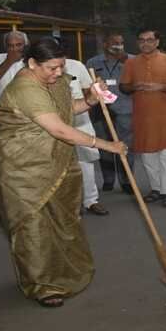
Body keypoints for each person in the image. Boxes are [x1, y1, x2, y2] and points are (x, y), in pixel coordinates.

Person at [0, 37, 127, 307]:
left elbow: (68, 111)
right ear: (32, 63)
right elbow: (59, 129)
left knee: (65, 222)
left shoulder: (54, 81)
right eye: (52, 68)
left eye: (62, 66)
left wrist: (90, 98)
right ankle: (44, 285)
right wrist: (106, 145)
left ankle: (66, 273)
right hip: (22, 171)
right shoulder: (25, 88)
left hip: (57, 162)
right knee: (34, 228)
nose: (59, 73)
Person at [120, 28, 166, 208]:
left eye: (149, 40)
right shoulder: (131, 63)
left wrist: (160, 87)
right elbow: (123, 87)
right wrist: (135, 86)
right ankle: (156, 189)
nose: (145, 43)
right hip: (142, 116)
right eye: (142, 40)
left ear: (157, 42)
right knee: (147, 155)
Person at [87, 33, 135, 193]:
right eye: (114, 43)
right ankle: (108, 179)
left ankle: (127, 180)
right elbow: (88, 85)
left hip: (124, 109)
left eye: (121, 43)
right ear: (105, 44)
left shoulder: (131, 61)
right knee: (104, 145)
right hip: (101, 110)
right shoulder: (93, 62)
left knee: (125, 146)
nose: (118, 46)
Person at [65, 58, 108, 216]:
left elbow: (87, 90)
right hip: (57, 120)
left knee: (86, 161)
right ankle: (71, 203)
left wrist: (94, 94)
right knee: (63, 164)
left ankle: (91, 201)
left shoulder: (76, 66)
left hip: (80, 118)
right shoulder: (44, 69)